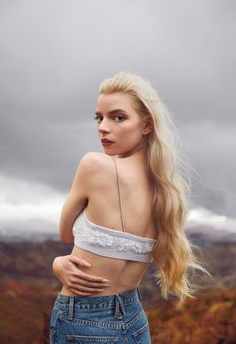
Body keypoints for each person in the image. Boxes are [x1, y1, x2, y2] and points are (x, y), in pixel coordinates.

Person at [50, 72, 208, 343]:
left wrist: (57, 263)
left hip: (82, 320)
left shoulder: (93, 165)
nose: (103, 127)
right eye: (99, 118)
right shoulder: (166, 190)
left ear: (147, 125)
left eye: (118, 117)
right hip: (134, 318)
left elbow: (65, 233)